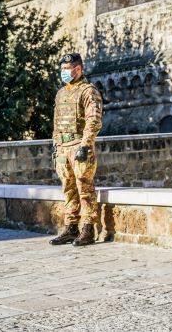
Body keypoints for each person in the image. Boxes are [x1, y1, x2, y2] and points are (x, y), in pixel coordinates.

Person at [49, 53, 103, 247]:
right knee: (68, 188)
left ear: (78, 69)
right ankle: (71, 227)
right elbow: (56, 123)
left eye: (67, 69)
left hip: (79, 146)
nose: (64, 72)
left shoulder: (88, 91)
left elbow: (94, 120)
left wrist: (86, 144)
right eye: (62, 68)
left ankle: (87, 228)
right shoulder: (61, 93)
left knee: (84, 187)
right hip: (63, 148)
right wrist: (56, 145)